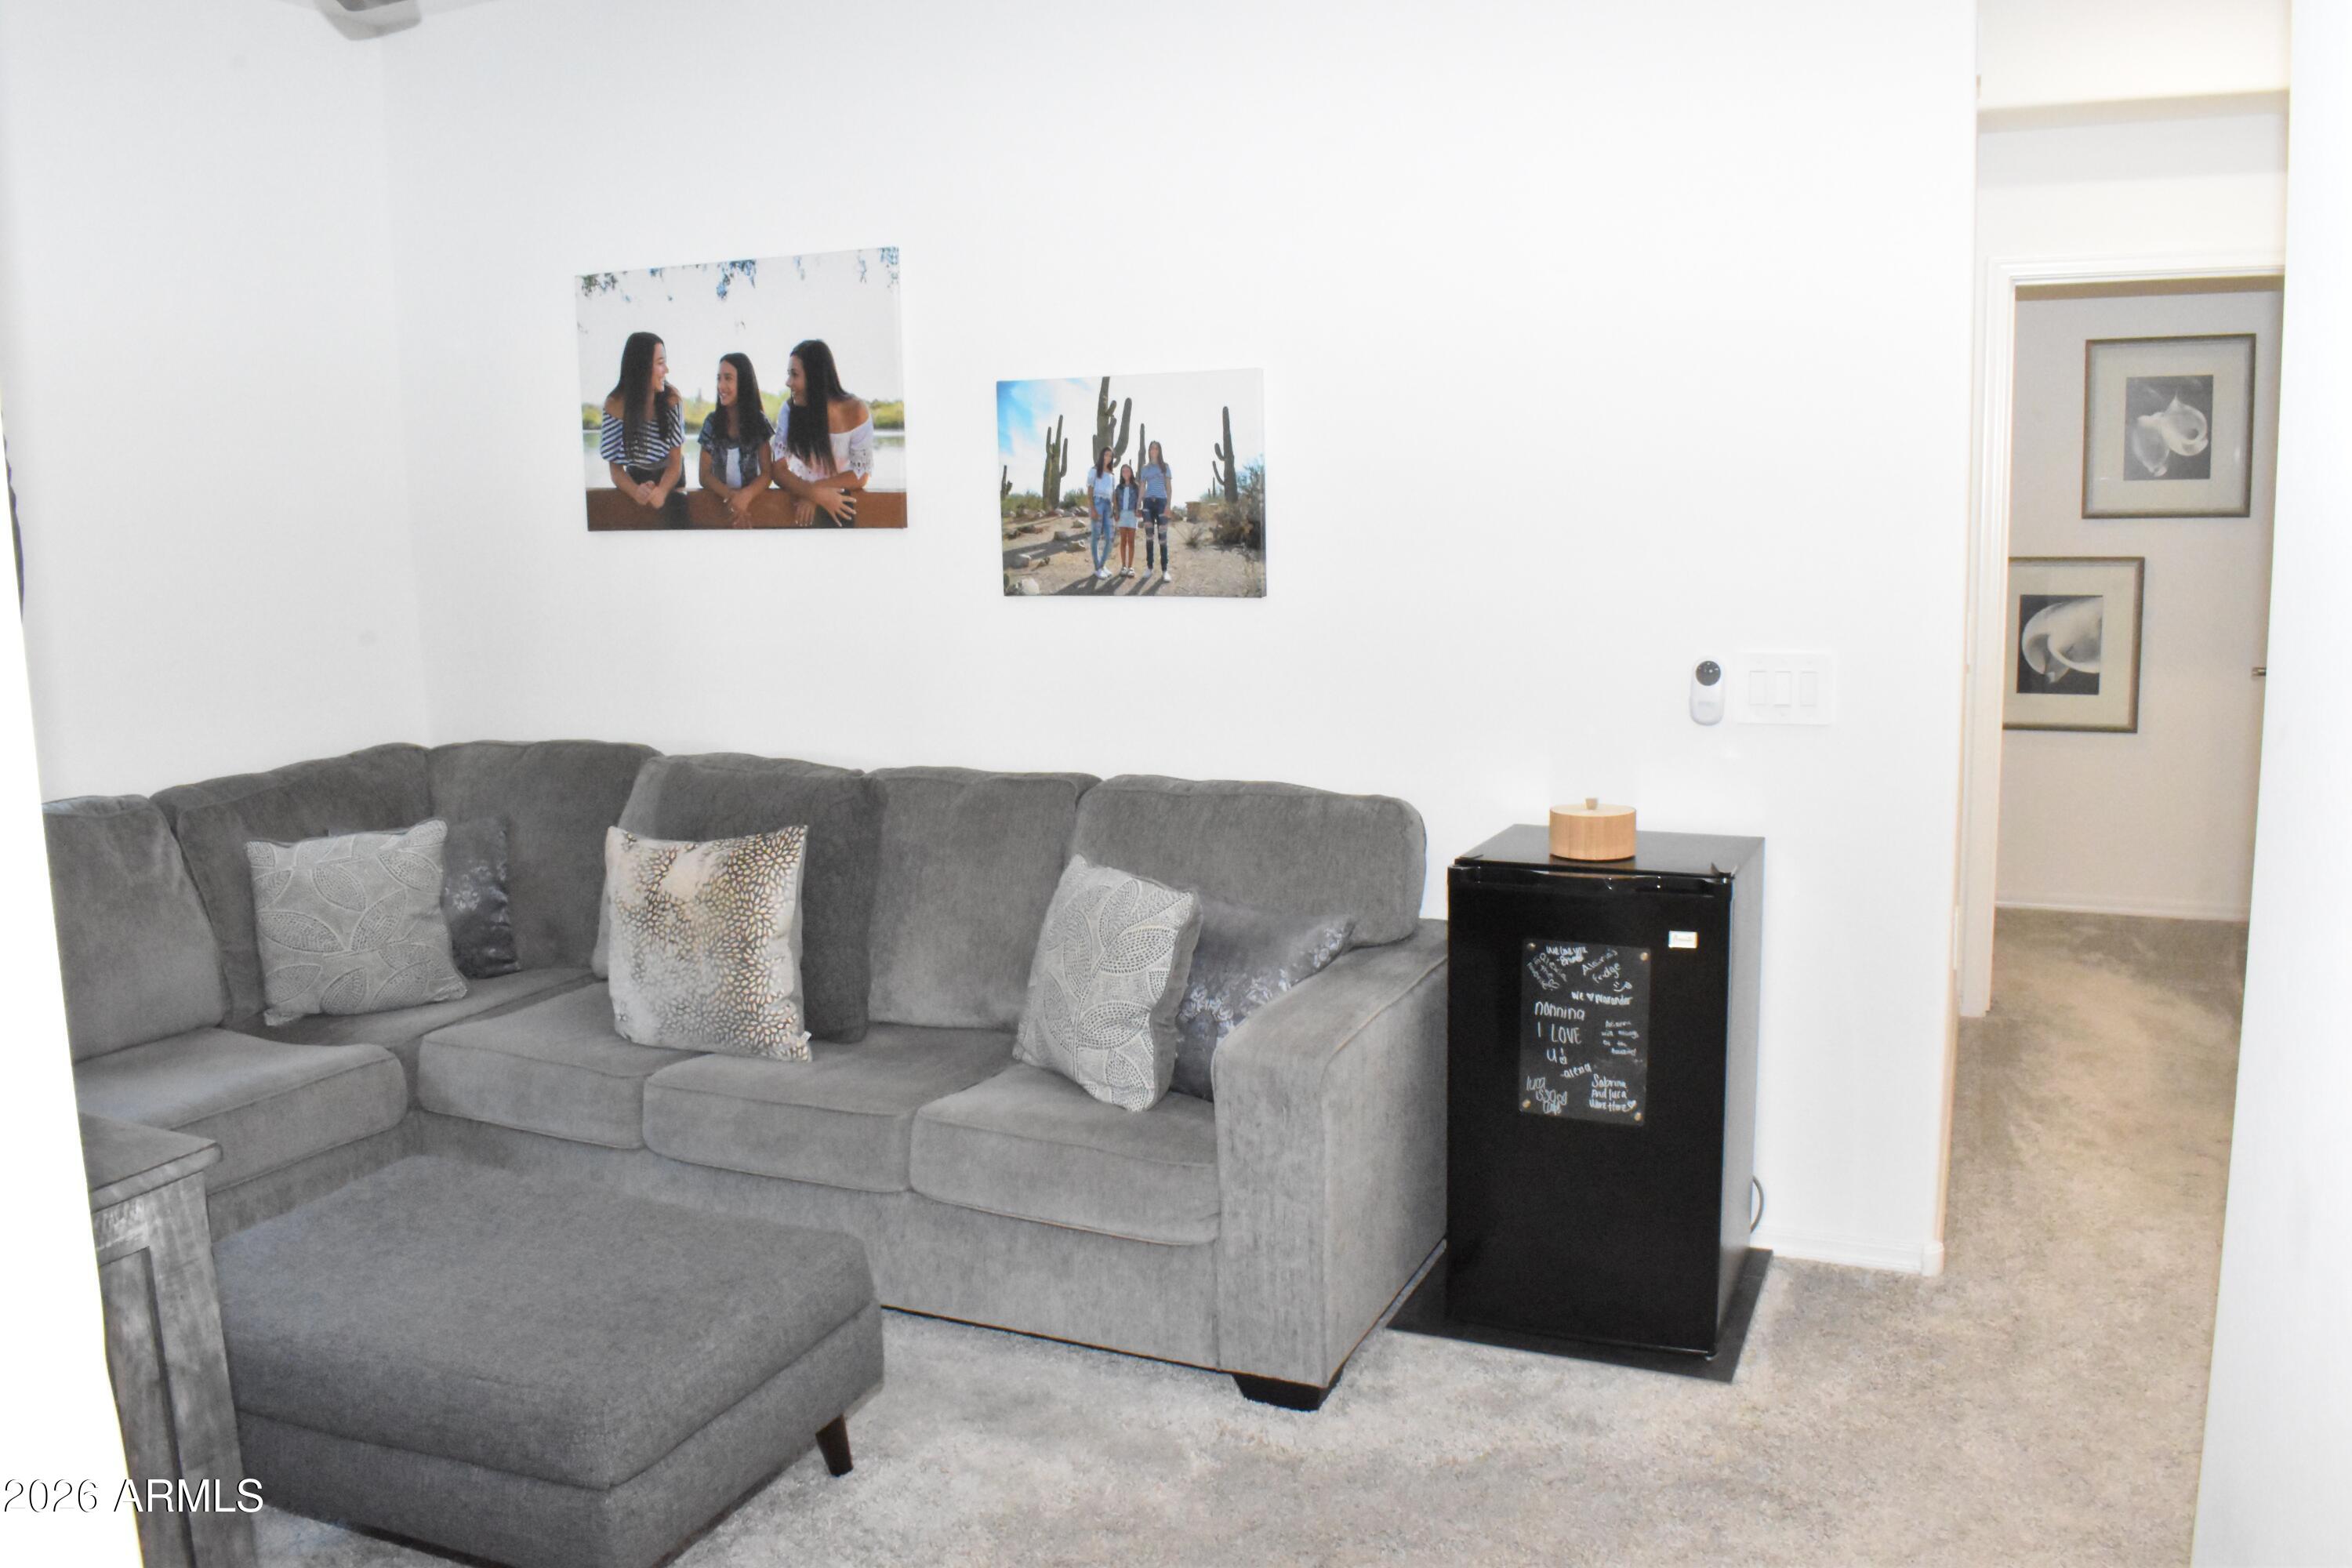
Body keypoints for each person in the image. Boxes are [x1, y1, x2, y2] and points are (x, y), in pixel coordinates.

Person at [769, 339, 871, 527]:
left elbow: (861, 474)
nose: (788, 382)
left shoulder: (856, 410)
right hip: (797, 506)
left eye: (794, 374)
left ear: (815, 377)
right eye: (788, 374)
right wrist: (813, 494)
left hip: (838, 505)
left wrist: (816, 493)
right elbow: (778, 470)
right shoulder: (789, 410)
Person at [600, 332, 686, 525]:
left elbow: (675, 463)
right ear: (641, 367)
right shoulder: (615, 405)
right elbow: (615, 469)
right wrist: (635, 491)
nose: (667, 370)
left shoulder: (672, 400)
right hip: (635, 474)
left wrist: (662, 491)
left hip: (670, 475)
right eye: (660, 363)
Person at [697, 353, 773, 528]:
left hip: (754, 506)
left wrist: (746, 496)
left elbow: (767, 473)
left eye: (728, 378)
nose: (721, 386)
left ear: (744, 382)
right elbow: (704, 475)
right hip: (719, 507)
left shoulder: (760, 422)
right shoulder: (712, 422)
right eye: (719, 379)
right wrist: (733, 498)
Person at [1139, 439, 1174, 584]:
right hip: (1148, 503)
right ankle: (1149, 567)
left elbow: (1169, 487)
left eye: (1156, 448)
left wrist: (1168, 505)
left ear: (1159, 451)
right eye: (1151, 448)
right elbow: (1142, 487)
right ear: (1149, 451)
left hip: (1161, 503)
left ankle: (1165, 570)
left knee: (1163, 538)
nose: (1153, 450)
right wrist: (1138, 505)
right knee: (1149, 537)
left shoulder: (1165, 467)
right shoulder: (1145, 468)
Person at [1087, 446, 1117, 580]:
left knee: (1110, 538)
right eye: (1106, 455)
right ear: (1102, 456)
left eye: (1110, 456)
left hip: (1108, 506)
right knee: (1096, 536)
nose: (1108, 458)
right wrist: (1092, 509)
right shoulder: (1094, 471)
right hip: (1097, 503)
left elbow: (1114, 494)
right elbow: (1089, 492)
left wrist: (1115, 508)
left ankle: (1101, 565)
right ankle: (1097, 568)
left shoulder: (1112, 475)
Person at [1113, 463, 1142, 579]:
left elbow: (1140, 500)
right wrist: (1116, 512)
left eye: (1127, 471)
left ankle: (1130, 567)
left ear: (1131, 473)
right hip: (1122, 515)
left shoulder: (1136, 486)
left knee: (1131, 542)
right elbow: (1115, 501)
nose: (1125, 473)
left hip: (1132, 515)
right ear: (1121, 474)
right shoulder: (1119, 488)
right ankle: (1123, 566)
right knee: (1123, 541)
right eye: (1123, 471)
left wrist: (1138, 509)